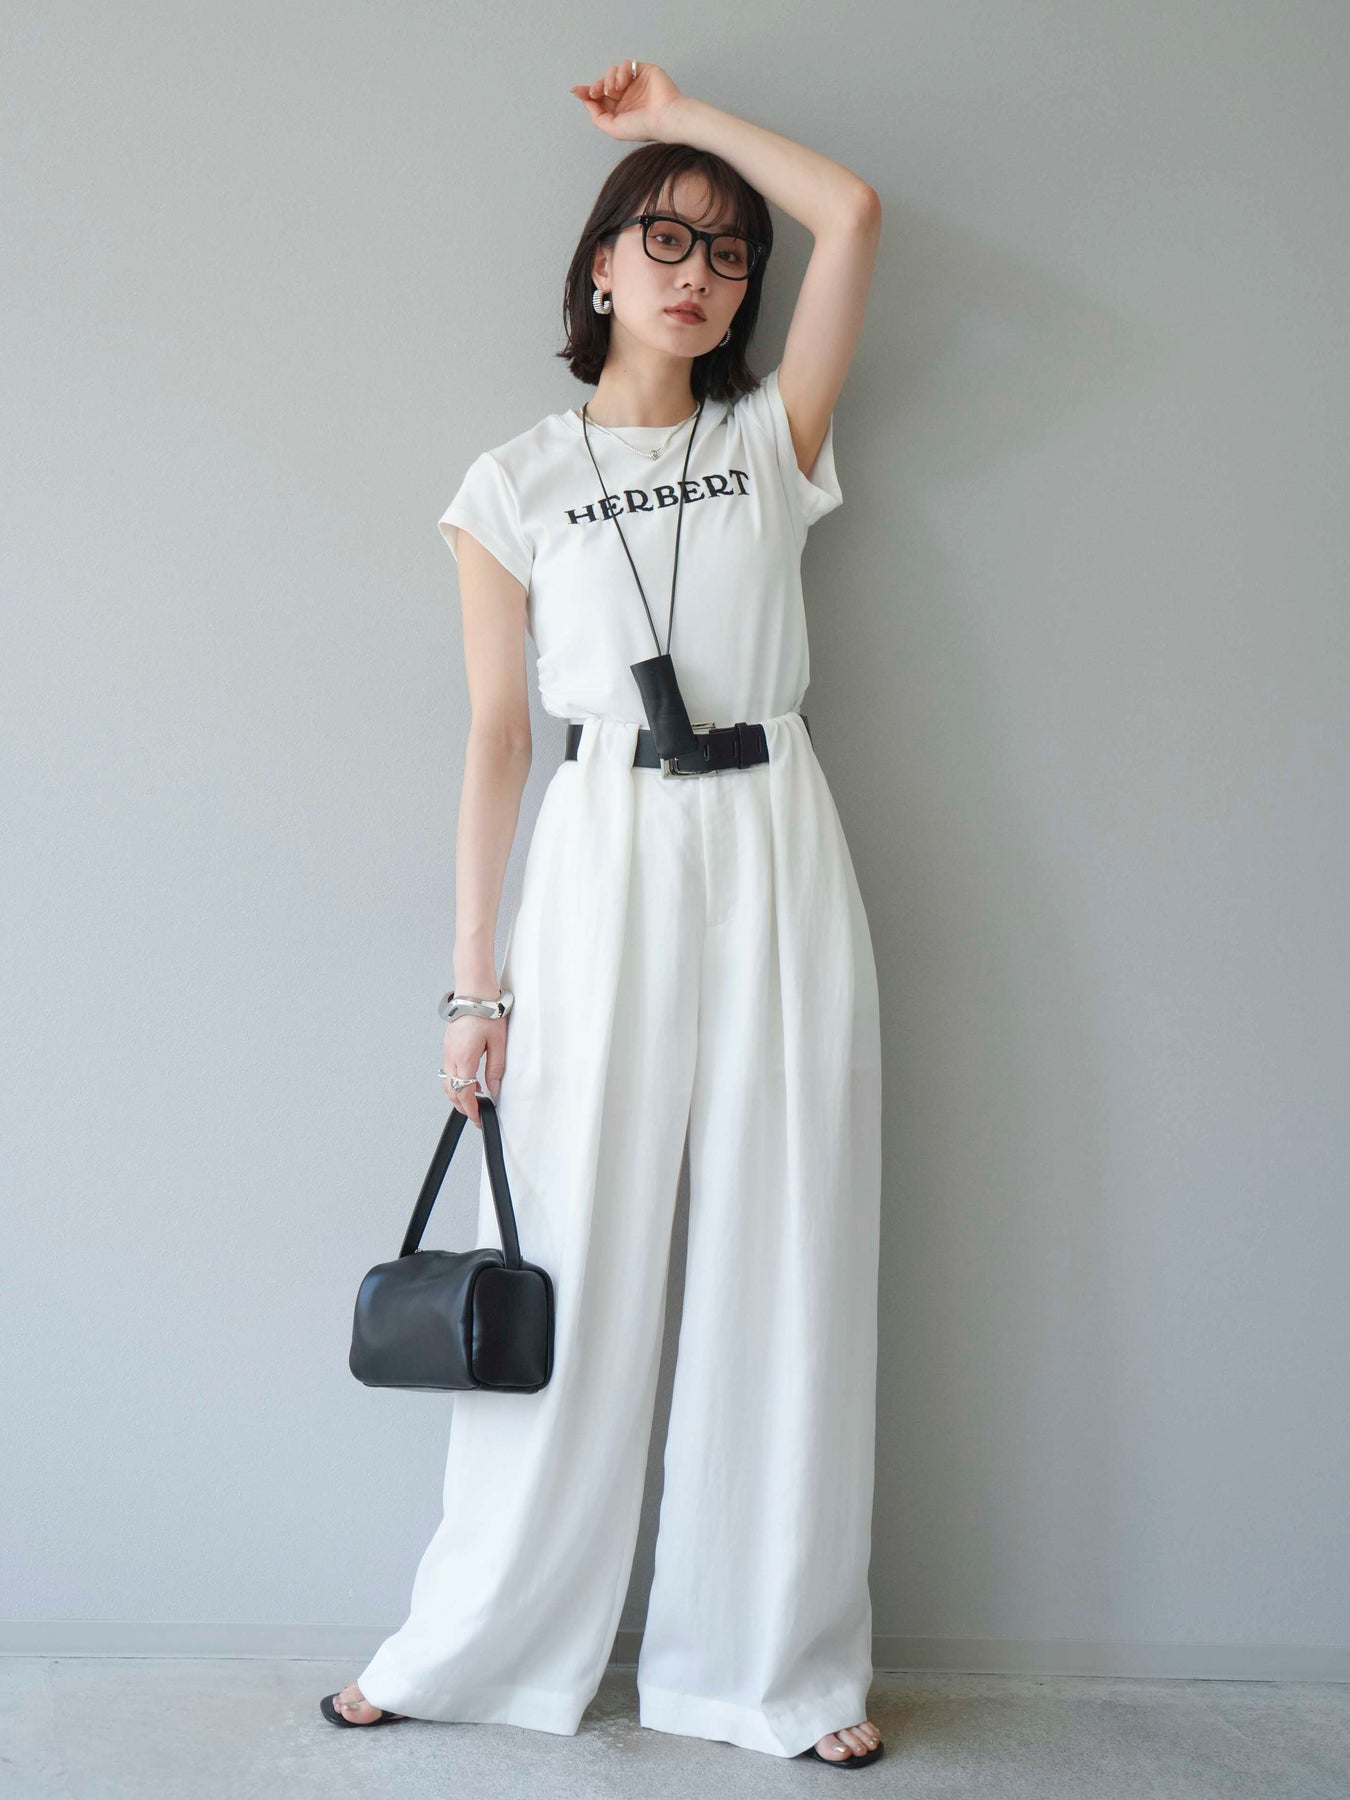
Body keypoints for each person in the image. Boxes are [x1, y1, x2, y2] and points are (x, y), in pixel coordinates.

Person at [322, 59, 886, 1768]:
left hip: (775, 837)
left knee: (786, 1249)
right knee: (568, 1249)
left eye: (724, 250)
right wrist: (471, 984)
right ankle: (476, 1649)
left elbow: (852, 211)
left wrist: (679, 124)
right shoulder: (511, 481)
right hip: (603, 849)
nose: (696, 270)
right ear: (598, 267)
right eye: (662, 239)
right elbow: (499, 737)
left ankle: (767, 1672)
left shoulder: (769, 438)